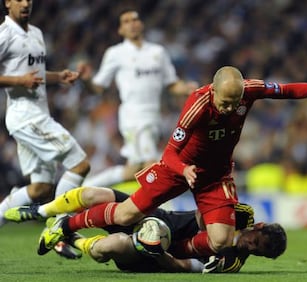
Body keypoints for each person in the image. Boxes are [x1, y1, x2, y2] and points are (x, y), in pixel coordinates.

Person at [34, 66, 307, 259]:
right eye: (225, 102)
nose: (230, 108)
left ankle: (171, 255)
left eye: (236, 102)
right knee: (126, 216)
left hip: (216, 176)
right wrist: (184, 169)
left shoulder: (250, 90)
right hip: (179, 169)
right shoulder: (197, 103)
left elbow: (284, 91)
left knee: (220, 241)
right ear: (214, 90)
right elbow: (169, 153)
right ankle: (65, 224)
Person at [5, 187, 286, 273]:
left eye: (255, 252)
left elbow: (182, 267)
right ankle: (42, 211)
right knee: (94, 195)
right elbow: (206, 210)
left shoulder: (231, 263)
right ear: (257, 227)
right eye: (254, 241)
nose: (249, 247)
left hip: (152, 253)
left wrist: (156, 253)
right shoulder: (242, 214)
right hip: (160, 218)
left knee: (111, 245)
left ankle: (72, 239)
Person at [0, 0, 90, 258]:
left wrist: (57, 77)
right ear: (7, 3)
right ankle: (58, 228)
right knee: (80, 165)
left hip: (38, 113)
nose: (25, 3)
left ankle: (50, 228)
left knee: (40, 188)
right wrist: (18, 80)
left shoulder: (36, 33)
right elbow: (22, 77)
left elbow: (35, 74)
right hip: (26, 116)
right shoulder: (4, 35)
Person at [77, 8, 197, 187]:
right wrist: (86, 80)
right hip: (132, 116)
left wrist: (187, 89)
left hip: (153, 115)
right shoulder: (115, 54)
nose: (132, 24)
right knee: (151, 163)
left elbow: (172, 84)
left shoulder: (158, 52)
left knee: (134, 169)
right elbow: (98, 87)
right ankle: (155, 208)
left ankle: (86, 187)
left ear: (141, 24)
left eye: (134, 20)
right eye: (126, 21)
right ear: (120, 30)